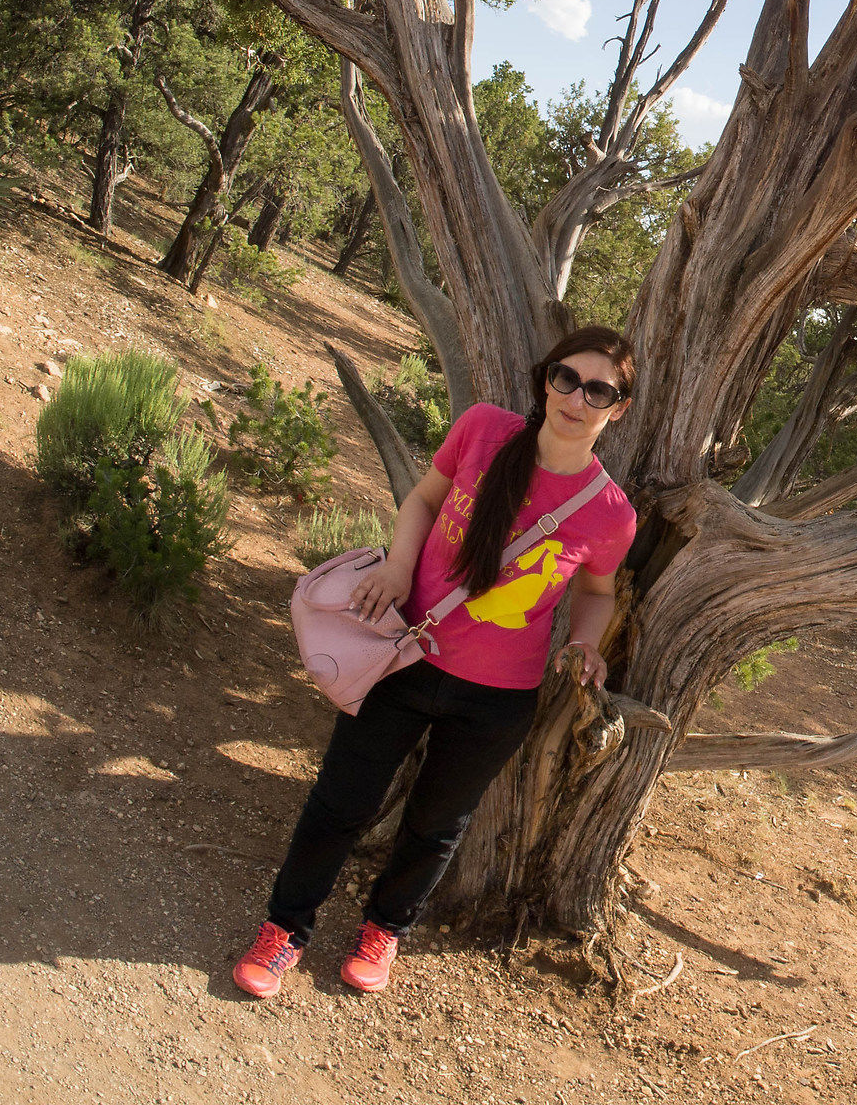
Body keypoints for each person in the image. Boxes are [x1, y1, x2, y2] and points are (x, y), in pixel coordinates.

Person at [232, 327, 639, 999]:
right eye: (567, 377)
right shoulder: (483, 429)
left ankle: (384, 930)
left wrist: (588, 642)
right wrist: (397, 567)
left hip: (497, 698)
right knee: (342, 802)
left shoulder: (610, 514)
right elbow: (424, 499)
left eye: (600, 390)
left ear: (617, 408)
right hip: (405, 655)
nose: (577, 397)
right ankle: (285, 930)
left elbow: (596, 592)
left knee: (436, 827)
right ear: (547, 378)